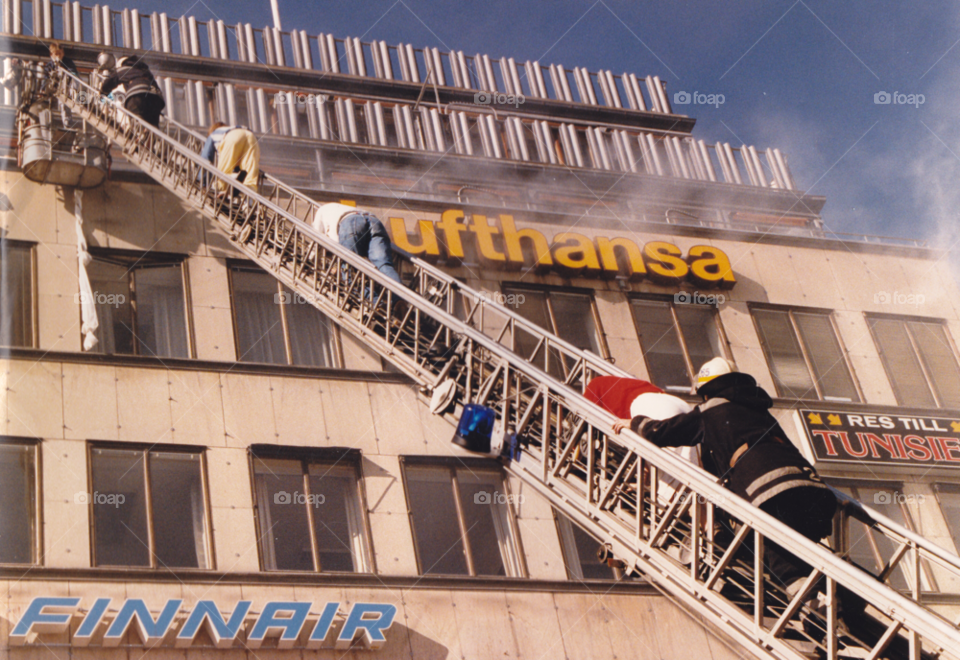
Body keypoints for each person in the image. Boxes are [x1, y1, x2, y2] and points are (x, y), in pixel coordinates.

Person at [613, 357, 838, 598]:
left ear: (707, 390)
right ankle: (839, 600)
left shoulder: (711, 410)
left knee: (775, 552)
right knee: (803, 549)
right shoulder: (759, 410)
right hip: (810, 487)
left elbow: (663, 432)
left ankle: (807, 601)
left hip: (766, 488)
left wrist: (633, 423)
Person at [311, 203, 403, 285]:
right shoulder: (335, 209)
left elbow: (316, 239)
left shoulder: (320, 211)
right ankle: (398, 299)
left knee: (349, 271)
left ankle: (373, 302)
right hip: (374, 220)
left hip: (350, 222)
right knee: (384, 265)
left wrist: (311, 260)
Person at [99, 55, 165, 127]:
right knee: (152, 125)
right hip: (156, 99)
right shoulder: (145, 71)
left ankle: (138, 128)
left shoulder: (124, 69)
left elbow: (110, 81)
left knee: (136, 116)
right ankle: (150, 134)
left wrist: (103, 92)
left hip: (137, 95)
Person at [200, 121, 261, 193]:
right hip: (251, 136)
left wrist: (203, 182)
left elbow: (205, 158)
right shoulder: (232, 128)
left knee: (223, 172)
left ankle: (220, 187)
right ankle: (249, 199)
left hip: (233, 137)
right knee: (250, 175)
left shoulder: (214, 134)